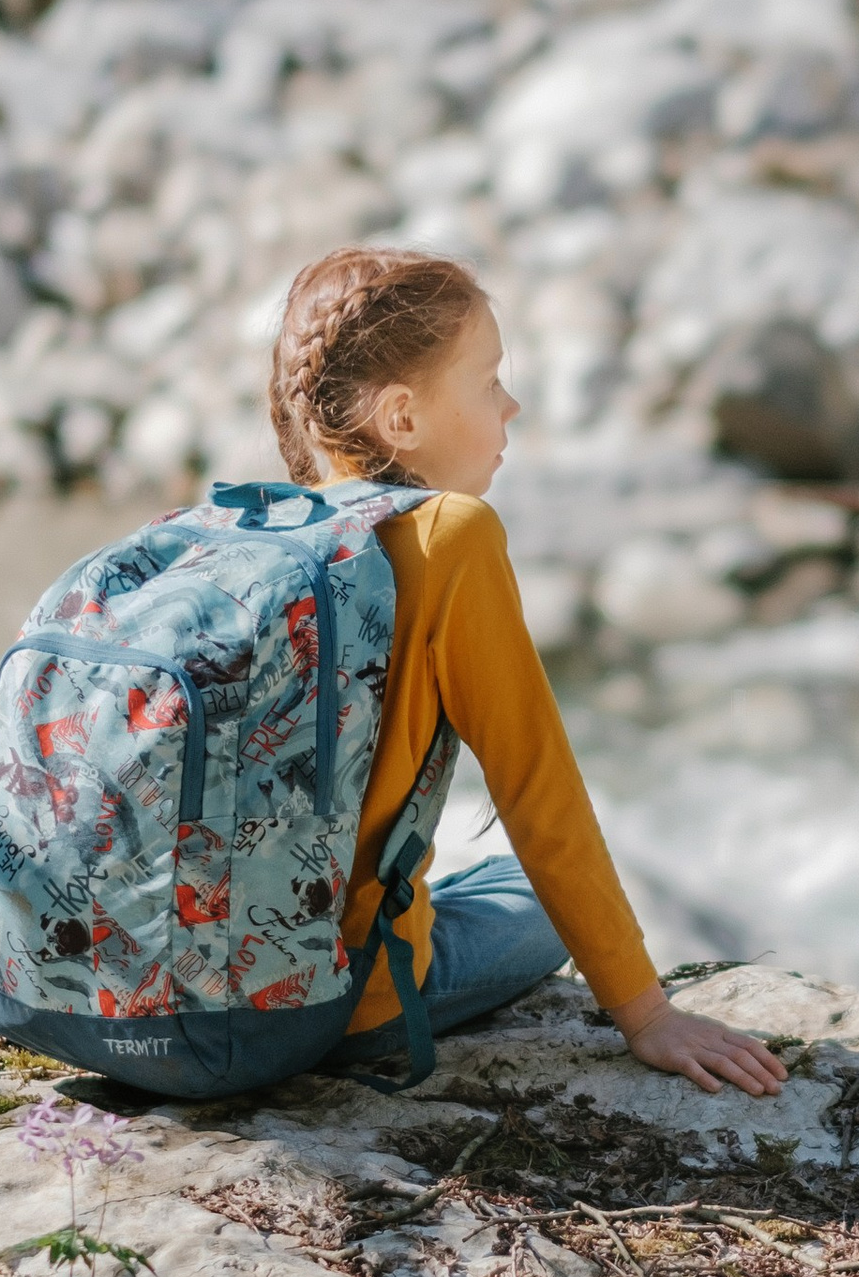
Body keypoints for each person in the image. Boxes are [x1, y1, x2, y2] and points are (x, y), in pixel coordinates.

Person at [268, 243, 786, 1101]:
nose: (511, 406)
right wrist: (648, 1015)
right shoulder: (450, 535)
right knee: (537, 900)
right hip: (343, 1006)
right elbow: (540, 797)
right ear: (401, 418)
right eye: (488, 382)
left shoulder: (262, 527)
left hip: (161, 993)